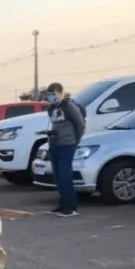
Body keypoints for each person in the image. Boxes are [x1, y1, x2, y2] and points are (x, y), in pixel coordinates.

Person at [45, 82, 85, 217]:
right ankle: (62, 204)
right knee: (58, 176)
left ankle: (71, 206)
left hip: (67, 144)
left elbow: (80, 124)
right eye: (49, 95)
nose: (51, 97)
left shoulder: (69, 106)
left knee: (65, 176)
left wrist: (75, 141)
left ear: (61, 93)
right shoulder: (51, 108)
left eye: (54, 94)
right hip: (54, 144)